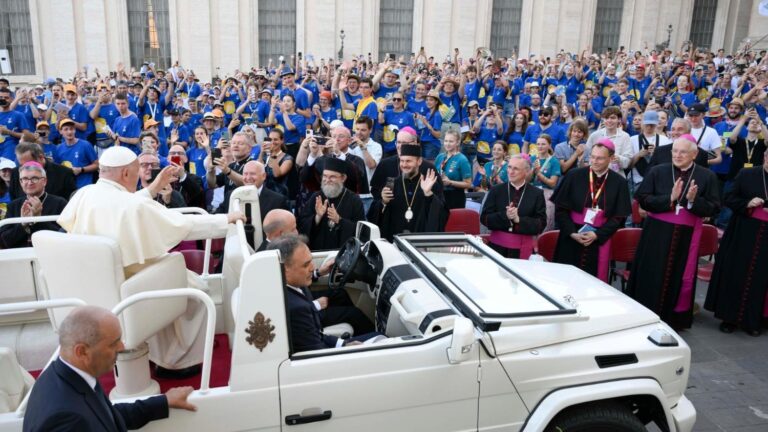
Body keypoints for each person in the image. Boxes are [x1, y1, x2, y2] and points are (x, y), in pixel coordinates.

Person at [58, 146, 245, 376]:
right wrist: (226, 219)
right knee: (197, 290)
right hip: (134, 285)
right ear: (126, 173)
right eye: (136, 171)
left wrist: (154, 187)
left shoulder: (86, 194)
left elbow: (122, 203)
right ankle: (178, 361)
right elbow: (184, 225)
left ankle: (159, 354)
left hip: (101, 285)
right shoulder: (131, 204)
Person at [23, 306, 196, 432]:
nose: (122, 348)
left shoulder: (67, 375)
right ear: (82, 351)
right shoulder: (66, 420)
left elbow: (106, 415)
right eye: (114, 343)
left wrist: (164, 401)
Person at [627, 136, 721, 330]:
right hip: (656, 234)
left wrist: (693, 201)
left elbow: (714, 208)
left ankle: (673, 320)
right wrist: (669, 198)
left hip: (686, 237)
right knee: (651, 272)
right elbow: (643, 199)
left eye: (683, 152)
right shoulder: (657, 171)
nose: (677, 155)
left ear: (694, 154)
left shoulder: (707, 176)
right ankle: (644, 316)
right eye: (675, 151)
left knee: (679, 275)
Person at [268, 234, 379, 353]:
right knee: (381, 338)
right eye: (305, 265)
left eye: (310, 261)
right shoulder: (297, 308)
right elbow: (318, 352)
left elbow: (315, 335)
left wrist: (342, 343)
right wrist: (345, 348)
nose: (312, 268)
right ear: (284, 270)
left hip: (321, 342)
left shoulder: (292, 285)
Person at [704, 149, 768, 337]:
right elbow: (729, 198)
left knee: (760, 279)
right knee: (736, 273)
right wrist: (747, 203)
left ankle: (752, 320)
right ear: (764, 157)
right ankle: (729, 318)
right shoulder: (747, 174)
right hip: (743, 232)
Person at [551, 139, 631, 282]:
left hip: (600, 237)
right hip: (572, 235)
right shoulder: (574, 175)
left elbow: (618, 217)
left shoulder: (619, 182)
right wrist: (572, 232)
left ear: (611, 158)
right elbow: (561, 210)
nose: (594, 161)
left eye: (600, 158)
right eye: (592, 157)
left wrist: (597, 235)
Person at [369, 144, 448, 241]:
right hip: (394, 242)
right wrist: (383, 202)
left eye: (408, 161)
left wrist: (428, 195)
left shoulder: (431, 185)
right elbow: (374, 216)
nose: (404, 165)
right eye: (402, 161)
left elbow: (442, 214)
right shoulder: (392, 185)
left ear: (419, 161)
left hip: (420, 243)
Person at [480, 155, 546, 258]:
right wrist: (505, 216)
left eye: (516, 169)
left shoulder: (536, 194)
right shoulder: (496, 190)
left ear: (526, 172)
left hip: (522, 250)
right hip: (497, 249)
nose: (511, 172)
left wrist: (518, 220)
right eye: (509, 167)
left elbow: (541, 224)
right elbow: (484, 218)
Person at [298, 157, 365, 251]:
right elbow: (302, 224)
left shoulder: (354, 200)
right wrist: (317, 217)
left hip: (344, 252)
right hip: (318, 252)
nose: (327, 180)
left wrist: (340, 220)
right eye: (324, 176)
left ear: (343, 178)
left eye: (332, 177)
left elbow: (361, 229)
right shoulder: (316, 197)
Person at [0, 161, 67, 248]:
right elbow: (5, 241)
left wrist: (37, 219)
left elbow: (63, 238)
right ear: (21, 182)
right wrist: (23, 224)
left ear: (44, 181)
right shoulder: (13, 206)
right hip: (19, 256)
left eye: (34, 178)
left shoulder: (60, 203)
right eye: (24, 179)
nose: (29, 182)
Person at [9, 141, 76, 201]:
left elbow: (70, 202)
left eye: (29, 164)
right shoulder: (15, 173)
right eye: (21, 165)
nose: (24, 168)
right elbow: (14, 201)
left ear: (41, 157)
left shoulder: (64, 173)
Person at [628, 111, 672, 194]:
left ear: (656, 124)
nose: (649, 127)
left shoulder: (665, 140)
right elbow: (628, 165)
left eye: (652, 124)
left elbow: (668, 165)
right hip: (637, 181)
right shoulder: (632, 140)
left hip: (658, 182)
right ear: (642, 123)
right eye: (647, 124)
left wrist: (657, 153)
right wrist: (639, 155)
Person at [582, 106, 632, 177]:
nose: (609, 120)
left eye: (613, 118)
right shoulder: (595, 135)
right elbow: (586, 157)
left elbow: (628, 161)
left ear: (619, 120)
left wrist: (618, 159)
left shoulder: (625, 136)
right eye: (606, 118)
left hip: (616, 176)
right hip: (596, 176)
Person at [53, 119, 98, 190]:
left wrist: (81, 169)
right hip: (68, 188)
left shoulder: (85, 145)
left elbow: (97, 165)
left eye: (71, 129)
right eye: (66, 129)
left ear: (75, 130)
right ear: (60, 131)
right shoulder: (58, 148)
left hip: (84, 187)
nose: (69, 132)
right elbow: (57, 169)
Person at [530, 134, 561, 231]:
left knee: (546, 223)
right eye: (538, 144)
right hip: (533, 192)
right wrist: (532, 170)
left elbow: (553, 183)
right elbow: (526, 180)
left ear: (549, 145)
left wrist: (539, 174)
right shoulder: (532, 158)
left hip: (547, 194)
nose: (540, 146)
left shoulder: (554, 161)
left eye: (543, 144)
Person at [434, 130, 472, 209]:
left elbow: (468, 184)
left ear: (458, 142)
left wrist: (450, 182)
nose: (447, 144)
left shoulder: (462, 159)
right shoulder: (440, 157)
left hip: (455, 197)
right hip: (439, 195)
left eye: (451, 141)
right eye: (446, 141)